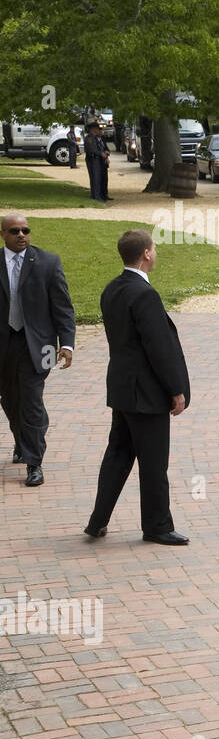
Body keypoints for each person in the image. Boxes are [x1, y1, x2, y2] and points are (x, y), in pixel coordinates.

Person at [85, 230, 191, 545]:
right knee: (154, 462)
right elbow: (158, 347)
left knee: (118, 455)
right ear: (146, 253)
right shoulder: (144, 295)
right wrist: (176, 389)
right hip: (145, 394)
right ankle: (157, 526)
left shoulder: (112, 289)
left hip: (122, 389)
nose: (155, 254)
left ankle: (97, 520)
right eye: (154, 249)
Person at [0, 214, 75, 487]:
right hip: (4, 343)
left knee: (31, 400)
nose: (21, 235)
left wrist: (66, 343)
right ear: (3, 235)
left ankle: (34, 463)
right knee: (9, 399)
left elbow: (63, 307)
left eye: (25, 230)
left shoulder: (48, 263)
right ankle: (22, 442)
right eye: (14, 231)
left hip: (38, 344)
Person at [84, 120, 111, 201]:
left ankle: (98, 195)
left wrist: (104, 154)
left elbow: (100, 148)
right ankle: (96, 196)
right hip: (92, 159)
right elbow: (92, 149)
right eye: (96, 128)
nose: (98, 130)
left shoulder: (95, 138)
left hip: (97, 160)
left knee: (98, 178)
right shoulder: (89, 138)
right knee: (95, 178)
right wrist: (101, 153)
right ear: (93, 129)